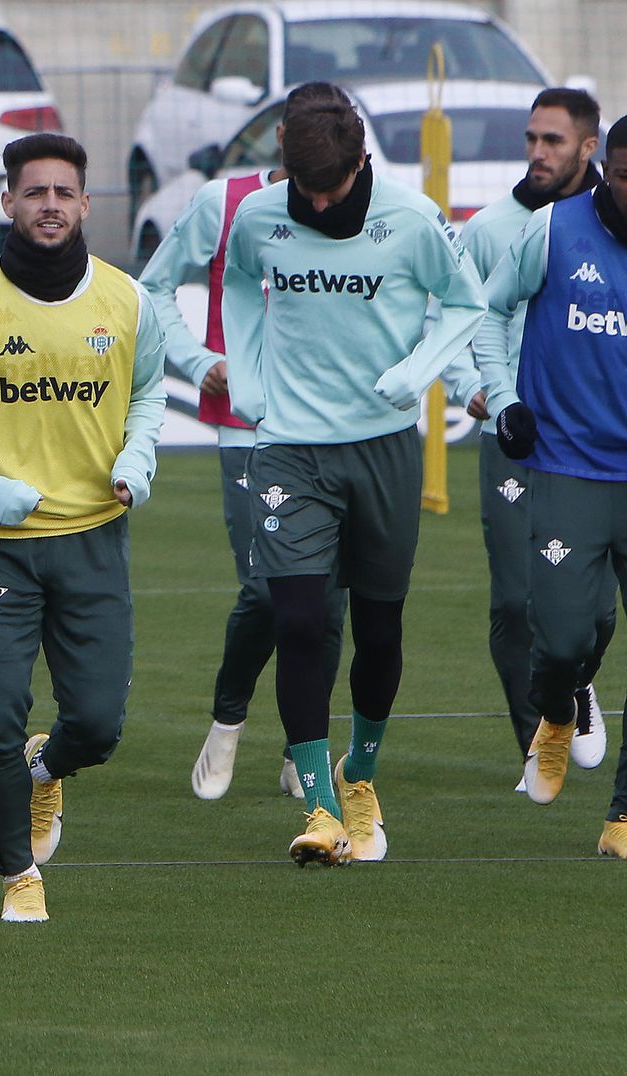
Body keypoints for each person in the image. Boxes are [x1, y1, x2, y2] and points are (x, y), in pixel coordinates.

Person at [222, 94, 486, 866]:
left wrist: (418, 370)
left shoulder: (411, 217)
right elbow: (238, 282)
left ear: (361, 162)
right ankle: (320, 806)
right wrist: (248, 372)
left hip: (381, 450)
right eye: (306, 188)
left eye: (332, 188)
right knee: (299, 620)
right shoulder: (261, 215)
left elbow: (466, 301)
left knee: (378, 630)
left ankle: (360, 772)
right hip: (289, 450)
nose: (318, 201)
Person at [0, 133, 164, 921]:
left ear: (87, 204)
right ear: (8, 203)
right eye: (35, 193)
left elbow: (152, 394)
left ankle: (48, 768)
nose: (50, 206)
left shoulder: (127, 301)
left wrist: (137, 462)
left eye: (64, 193)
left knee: (96, 725)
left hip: (95, 536)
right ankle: (17, 875)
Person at [139, 83, 356, 801]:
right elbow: (152, 289)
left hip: (338, 429)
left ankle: (306, 746)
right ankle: (228, 720)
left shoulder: (363, 213)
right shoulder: (224, 204)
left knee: (327, 604)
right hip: (249, 429)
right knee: (270, 588)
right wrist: (202, 365)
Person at [475, 114, 627, 856]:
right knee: (565, 635)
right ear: (609, 170)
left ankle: (623, 816)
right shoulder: (554, 231)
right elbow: (487, 308)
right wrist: (505, 399)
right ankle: (558, 713)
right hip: (567, 464)